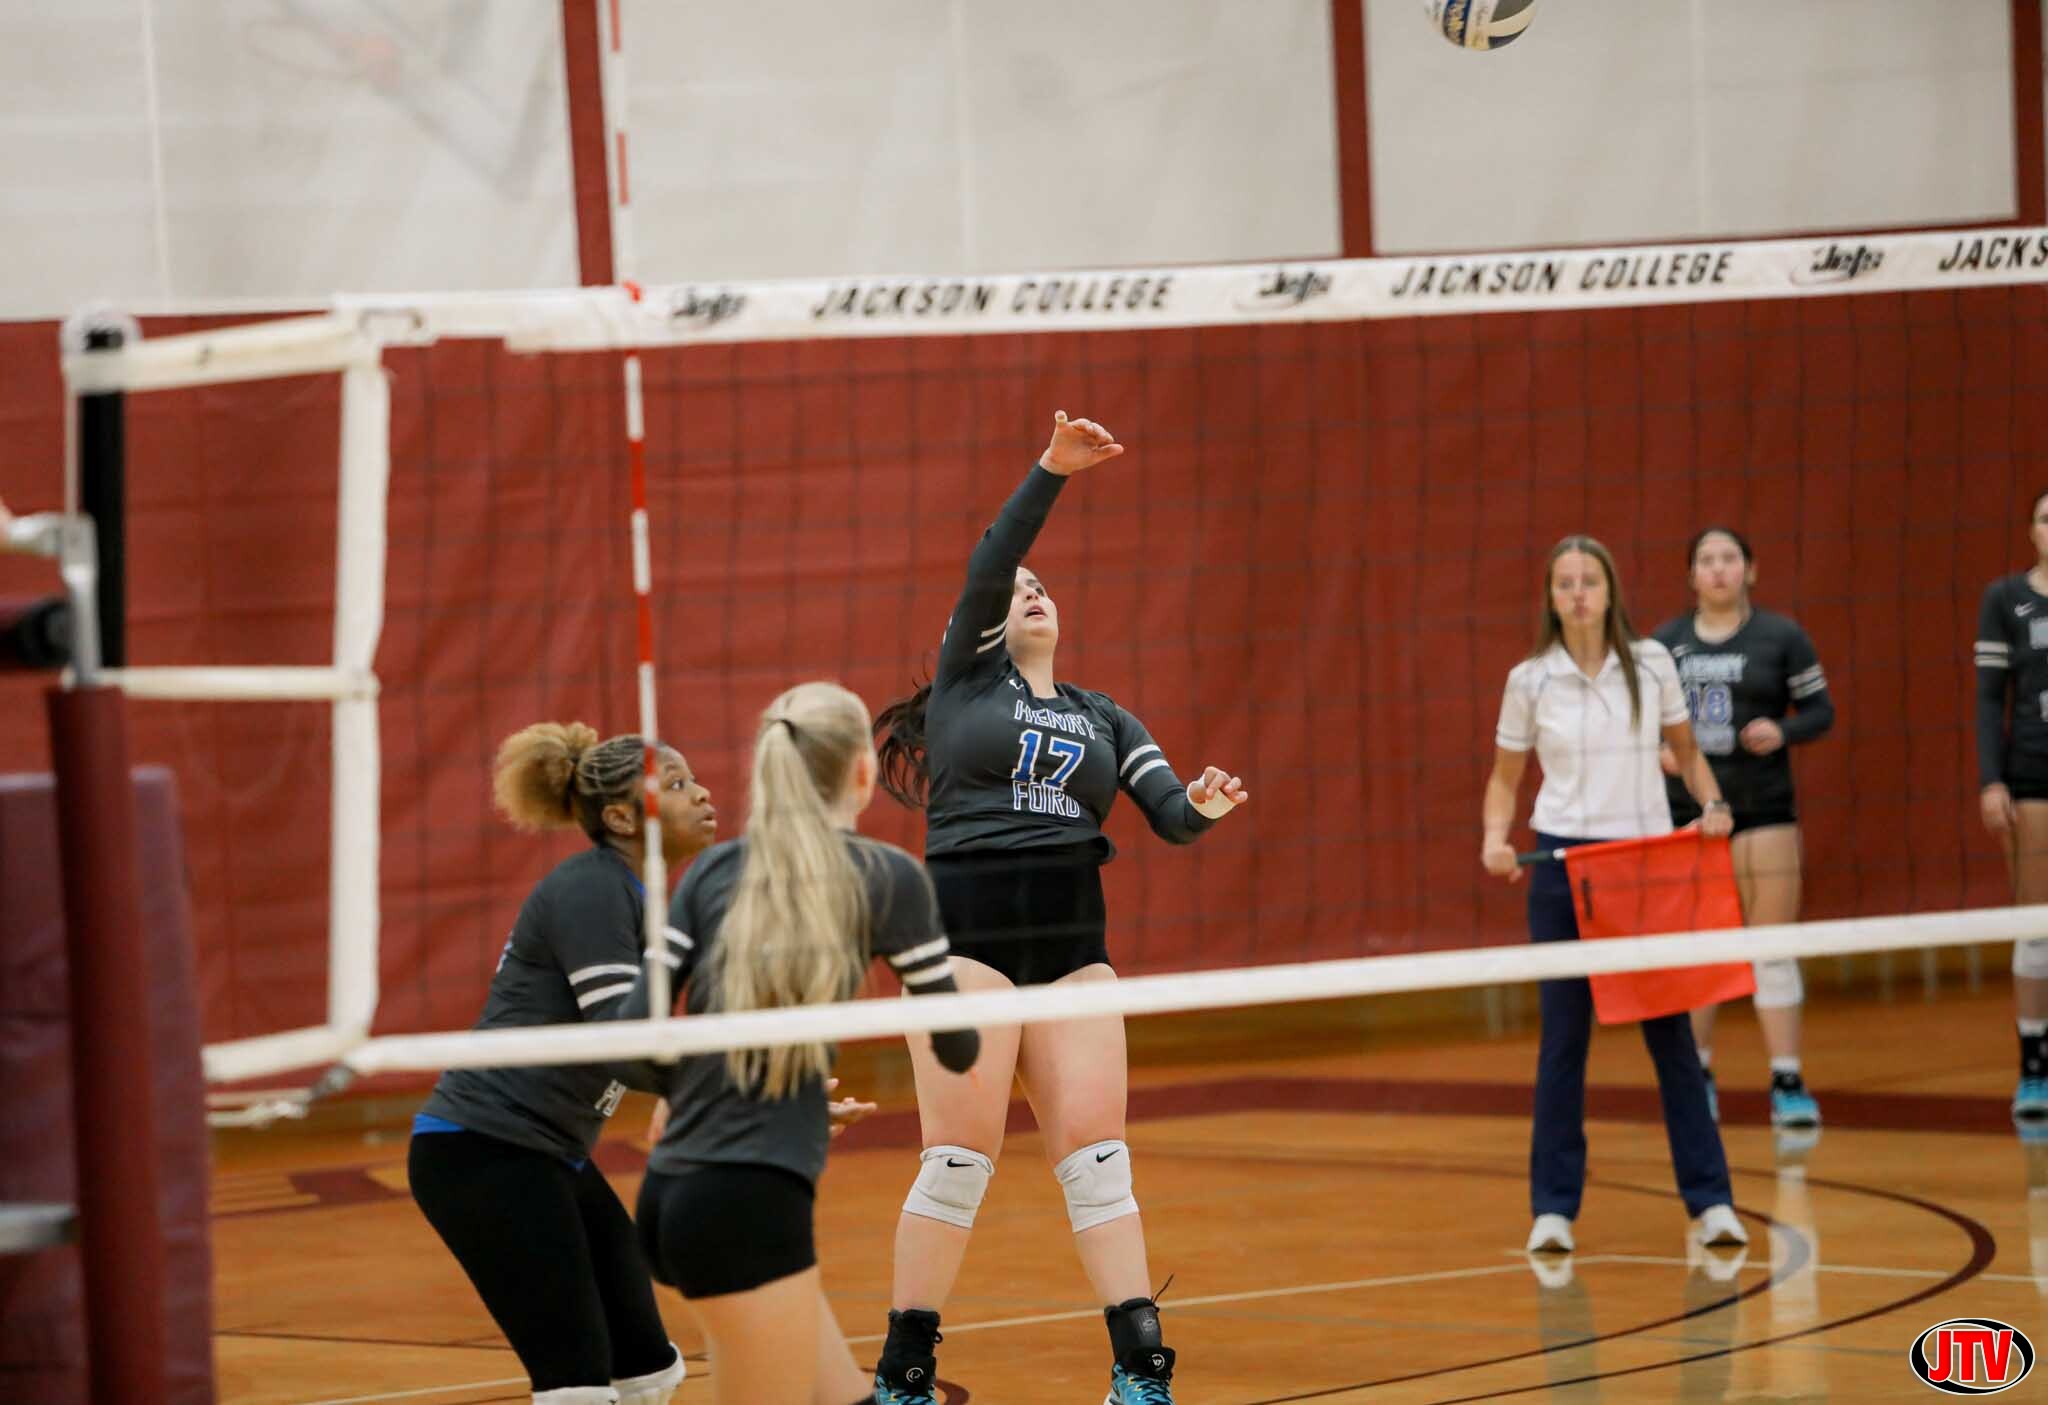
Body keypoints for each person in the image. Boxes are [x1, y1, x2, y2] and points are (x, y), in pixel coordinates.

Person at [869, 412, 1249, 1405]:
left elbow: (1171, 817)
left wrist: (1204, 804)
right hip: (967, 938)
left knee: (1098, 1162)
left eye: (1045, 586)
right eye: (1018, 589)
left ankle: (1140, 1373)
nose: (1032, 591)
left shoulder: (1103, 715)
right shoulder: (964, 682)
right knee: (958, 1160)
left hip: (1073, 943)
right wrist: (1051, 468)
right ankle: (904, 1375)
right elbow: (995, 556)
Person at [615, 681, 981, 1405]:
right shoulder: (886, 878)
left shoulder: (715, 869)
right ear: (864, 772)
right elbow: (959, 1049)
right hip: (747, 1204)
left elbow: (629, 1041)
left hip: (676, 1194)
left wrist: (760, 1092)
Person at [408, 723, 715, 1405]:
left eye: (693, 780)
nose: (701, 793)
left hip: (552, 1154)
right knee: (576, 1379)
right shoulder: (592, 888)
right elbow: (618, 1040)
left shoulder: (640, 895)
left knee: (645, 1366)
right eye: (675, 784)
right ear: (621, 818)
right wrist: (736, 1092)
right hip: (483, 1152)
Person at [1480, 535, 1749, 1255]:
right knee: (1563, 1040)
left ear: (1609, 592)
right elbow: (1504, 778)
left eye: (1589, 581)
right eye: (1565, 582)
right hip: (1563, 866)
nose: (1577, 594)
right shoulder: (1530, 679)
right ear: (1551, 597)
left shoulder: (1653, 661)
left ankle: (1712, 1201)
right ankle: (1553, 1210)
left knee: (1673, 1039)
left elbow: (1687, 754)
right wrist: (1496, 838)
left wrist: (1713, 803)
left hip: (1642, 866)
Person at [1652, 528, 1834, 1131]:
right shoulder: (1664, 645)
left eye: (1730, 558)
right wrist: (1657, 750)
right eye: (1706, 560)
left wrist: (1784, 731)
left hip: (1763, 808)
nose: (1718, 569)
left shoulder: (1781, 637)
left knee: (1772, 947)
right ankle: (1698, 1077)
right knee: (1700, 953)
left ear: (1750, 570)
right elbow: (1638, 723)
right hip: (1691, 815)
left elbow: (1821, 711)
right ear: (1691, 575)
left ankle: (1787, 1079)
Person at [1974, 488, 2048, 1119]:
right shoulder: (2006, 599)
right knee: (2037, 922)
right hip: (2033, 776)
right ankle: (2034, 1064)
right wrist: (1992, 781)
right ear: (2032, 531)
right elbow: (1988, 697)